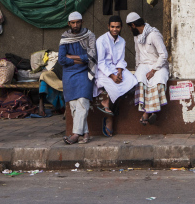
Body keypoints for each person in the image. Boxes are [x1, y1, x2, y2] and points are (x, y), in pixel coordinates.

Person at [94, 15, 137, 137]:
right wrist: (112, 76)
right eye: (112, 27)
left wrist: (119, 72)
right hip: (104, 71)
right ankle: (109, 119)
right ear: (108, 27)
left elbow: (121, 60)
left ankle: (107, 102)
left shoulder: (122, 41)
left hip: (116, 69)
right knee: (114, 89)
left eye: (117, 27)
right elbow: (101, 63)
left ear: (121, 27)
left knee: (132, 82)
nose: (115, 29)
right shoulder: (101, 40)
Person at [58, 11, 97, 145]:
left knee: (83, 101)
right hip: (69, 73)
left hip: (85, 72)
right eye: (73, 23)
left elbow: (92, 56)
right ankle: (85, 133)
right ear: (69, 24)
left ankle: (75, 134)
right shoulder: (65, 37)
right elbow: (62, 59)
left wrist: (72, 57)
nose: (75, 25)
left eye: (78, 22)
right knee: (74, 105)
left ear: (82, 22)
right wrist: (81, 59)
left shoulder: (89, 35)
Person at [126, 12, 169, 125]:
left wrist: (153, 70)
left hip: (158, 65)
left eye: (130, 27)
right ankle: (151, 111)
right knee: (139, 80)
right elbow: (138, 55)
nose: (130, 30)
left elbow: (164, 55)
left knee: (158, 82)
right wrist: (137, 69)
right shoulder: (137, 37)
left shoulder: (154, 35)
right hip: (144, 65)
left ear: (133, 25)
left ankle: (146, 114)